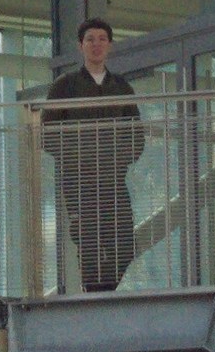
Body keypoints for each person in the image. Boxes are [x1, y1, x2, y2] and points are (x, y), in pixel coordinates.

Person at [36, 17, 146, 295]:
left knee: (124, 243)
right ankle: (96, 294)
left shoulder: (121, 87)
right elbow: (47, 134)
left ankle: (102, 292)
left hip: (112, 179)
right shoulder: (65, 85)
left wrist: (117, 160)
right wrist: (78, 158)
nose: (96, 45)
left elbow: (136, 136)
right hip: (78, 182)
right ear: (80, 46)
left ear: (109, 45)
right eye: (90, 40)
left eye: (101, 39)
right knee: (88, 241)